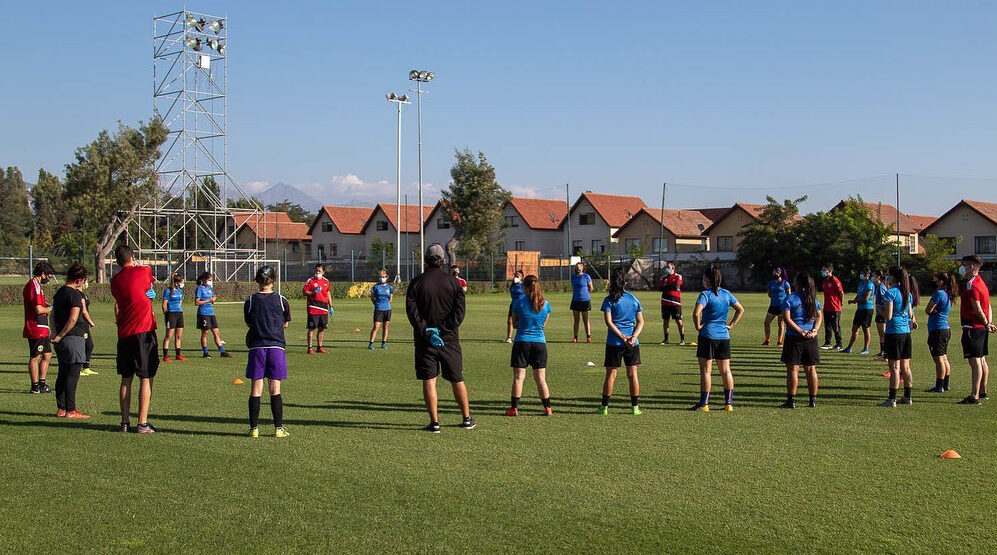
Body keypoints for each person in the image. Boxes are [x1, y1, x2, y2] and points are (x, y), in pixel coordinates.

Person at [406, 244, 474, 432]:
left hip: (424, 339)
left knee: (429, 379)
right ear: (443, 260)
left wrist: (427, 330)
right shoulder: (454, 283)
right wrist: (444, 330)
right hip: (449, 339)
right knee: (456, 378)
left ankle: (435, 422)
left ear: (426, 260)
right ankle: (466, 418)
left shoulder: (416, 282)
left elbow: (412, 312)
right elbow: (459, 313)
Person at [110, 245, 160, 434]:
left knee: (126, 379)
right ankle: (142, 422)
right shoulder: (144, 270)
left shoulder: (114, 281)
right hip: (143, 332)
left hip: (124, 334)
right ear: (132, 256)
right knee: (146, 377)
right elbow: (148, 280)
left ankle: (124, 422)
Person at [244, 265, 292, 438]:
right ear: (274, 280)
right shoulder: (281, 300)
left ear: (257, 280)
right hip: (276, 348)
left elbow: (249, 323)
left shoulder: (250, 300)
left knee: (256, 389)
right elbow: (285, 322)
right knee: (275, 389)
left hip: (257, 347)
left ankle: (254, 429)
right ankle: (278, 429)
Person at [691, 266, 745, 412]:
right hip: (723, 336)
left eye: (704, 278)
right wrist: (731, 325)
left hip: (707, 335)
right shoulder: (727, 294)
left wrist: (698, 326)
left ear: (707, 279)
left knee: (706, 371)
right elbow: (740, 309)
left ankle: (704, 404)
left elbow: (696, 313)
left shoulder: (705, 294)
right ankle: (729, 404)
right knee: (726, 371)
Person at [597, 268, 645, 416]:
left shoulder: (608, 300)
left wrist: (621, 337)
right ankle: (635, 408)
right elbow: (641, 321)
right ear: (625, 282)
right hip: (632, 343)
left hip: (614, 343)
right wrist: (633, 337)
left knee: (611, 375)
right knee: (633, 375)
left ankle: (604, 408)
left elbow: (609, 322)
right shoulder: (633, 299)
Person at [506, 275, 553, 417]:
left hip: (522, 342)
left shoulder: (518, 302)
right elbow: (543, 324)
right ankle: (548, 408)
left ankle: (514, 409)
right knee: (540, 378)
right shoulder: (546, 304)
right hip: (539, 343)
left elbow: (514, 324)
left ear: (525, 287)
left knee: (519, 377)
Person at [50, 263, 92, 419]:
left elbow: (52, 315)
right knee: (72, 375)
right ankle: (71, 410)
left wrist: (55, 334)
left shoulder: (60, 292)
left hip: (61, 339)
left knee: (62, 372)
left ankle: (61, 409)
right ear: (80, 280)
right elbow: (73, 318)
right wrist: (61, 335)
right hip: (73, 337)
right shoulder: (74, 294)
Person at [780, 272, 823, 408]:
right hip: (811, 338)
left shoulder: (790, 298)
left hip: (794, 337)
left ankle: (791, 401)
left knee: (793, 370)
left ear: (797, 283)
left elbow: (787, 319)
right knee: (811, 369)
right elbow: (819, 316)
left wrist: (800, 331)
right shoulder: (813, 299)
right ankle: (812, 400)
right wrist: (814, 330)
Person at [957, 255, 996, 405]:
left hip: (973, 327)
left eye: (964, 264)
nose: (962, 267)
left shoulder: (971, 285)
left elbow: (977, 307)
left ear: (972, 266)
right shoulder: (982, 283)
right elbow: (989, 306)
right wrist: (989, 322)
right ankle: (983, 391)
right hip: (981, 328)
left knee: (975, 363)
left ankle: (974, 396)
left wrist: (986, 323)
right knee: (982, 360)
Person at [879, 266, 917, 408]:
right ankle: (907, 396)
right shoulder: (908, 293)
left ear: (894, 277)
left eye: (888, 275)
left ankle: (891, 399)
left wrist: (880, 309)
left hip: (893, 332)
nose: (887, 277)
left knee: (894, 367)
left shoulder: (891, 293)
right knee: (905, 367)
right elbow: (909, 314)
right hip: (906, 332)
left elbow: (888, 316)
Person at [22, 261, 55, 394]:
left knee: (47, 355)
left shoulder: (37, 286)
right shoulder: (34, 285)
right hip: (36, 327)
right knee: (35, 356)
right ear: (42, 274)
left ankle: (42, 384)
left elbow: (40, 303)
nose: (50, 278)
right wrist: (51, 308)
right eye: (49, 275)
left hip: (43, 327)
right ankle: (35, 386)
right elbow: (38, 309)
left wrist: (48, 305)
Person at [925, 272, 959, 393]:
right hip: (945, 329)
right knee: (944, 357)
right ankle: (945, 383)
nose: (935, 282)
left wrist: (933, 312)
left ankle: (939, 385)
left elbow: (928, 309)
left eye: (936, 280)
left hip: (937, 329)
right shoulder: (949, 294)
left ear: (941, 282)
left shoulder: (939, 294)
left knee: (938, 358)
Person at [195, 272, 232, 358]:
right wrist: (208, 300)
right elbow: (197, 302)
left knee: (216, 332)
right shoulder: (199, 288)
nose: (210, 282)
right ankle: (205, 353)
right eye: (209, 280)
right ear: (204, 280)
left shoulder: (210, 288)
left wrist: (213, 300)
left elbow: (212, 299)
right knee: (205, 333)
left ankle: (222, 352)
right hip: (203, 313)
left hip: (211, 313)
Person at [842, 269, 875, 355]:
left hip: (867, 309)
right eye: (860, 273)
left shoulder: (869, 284)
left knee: (865, 329)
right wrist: (854, 301)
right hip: (860, 309)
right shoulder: (860, 284)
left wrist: (858, 300)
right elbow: (859, 294)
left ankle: (866, 348)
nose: (861, 275)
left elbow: (866, 299)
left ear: (868, 275)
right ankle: (849, 347)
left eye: (863, 274)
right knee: (854, 328)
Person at [658, 260, 691, 346]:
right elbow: (660, 288)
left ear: (673, 268)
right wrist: (669, 287)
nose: (666, 269)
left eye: (668, 267)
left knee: (679, 321)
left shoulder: (678, 276)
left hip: (675, 302)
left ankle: (682, 339)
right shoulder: (663, 278)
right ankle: (666, 339)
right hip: (665, 302)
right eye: (666, 267)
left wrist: (666, 287)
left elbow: (676, 287)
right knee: (665, 321)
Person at [303, 263, 332, 354]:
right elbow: (304, 292)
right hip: (313, 307)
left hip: (323, 308)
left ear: (323, 272)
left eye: (319, 271)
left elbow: (328, 293)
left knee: (321, 328)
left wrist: (331, 306)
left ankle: (320, 347)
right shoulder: (310, 281)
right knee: (312, 328)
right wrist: (313, 293)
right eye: (316, 271)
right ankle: (310, 348)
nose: (317, 272)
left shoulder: (326, 281)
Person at [161, 272, 187, 362]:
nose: (182, 284)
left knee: (178, 336)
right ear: (176, 282)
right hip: (171, 314)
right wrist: (167, 316)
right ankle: (165, 356)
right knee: (169, 336)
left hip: (179, 313)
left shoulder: (180, 291)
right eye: (181, 282)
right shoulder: (168, 291)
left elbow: (180, 303)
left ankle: (178, 355)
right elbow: (164, 305)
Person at [762, 267, 790, 346]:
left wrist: (785, 304)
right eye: (774, 272)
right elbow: (769, 294)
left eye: (776, 272)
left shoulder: (785, 283)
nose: (774, 274)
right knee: (766, 323)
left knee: (780, 324)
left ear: (780, 273)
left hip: (782, 307)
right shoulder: (771, 283)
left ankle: (779, 342)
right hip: (773, 306)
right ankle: (767, 340)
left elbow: (789, 295)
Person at [820, 263, 844, 350]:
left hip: (835, 308)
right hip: (826, 307)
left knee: (836, 326)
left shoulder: (835, 280)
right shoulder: (825, 281)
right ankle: (827, 343)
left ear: (829, 271)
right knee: (827, 326)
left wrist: (840, 303)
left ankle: (839, 344)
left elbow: (841, 293)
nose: (822, 272)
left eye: (824, 270)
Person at [369, 268, 394, 350]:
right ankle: (371, 343)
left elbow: (390, 298)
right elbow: (372, 297)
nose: (382, 278)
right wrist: (377, 304)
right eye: (380, 276)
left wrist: (387, 305)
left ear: (387, 277)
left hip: (387, 309)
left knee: (385, 327)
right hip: (378, 309)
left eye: (383, 276)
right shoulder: (376, 287)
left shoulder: (390, 287)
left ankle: (383, 343)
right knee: (376, 327)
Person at [571, 262, 595, 343]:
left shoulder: (586, 277)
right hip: (575, 300)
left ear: (582, 268)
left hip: (585, 301)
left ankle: (588, 337)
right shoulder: (573, 277)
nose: (577, 269)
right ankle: (575, 337)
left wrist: (586, 295)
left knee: (585, 320)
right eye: (576, 267)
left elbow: (591, 288)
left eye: (579, 267)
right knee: (576, 320)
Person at [79, 280, 98, 376]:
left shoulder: (83, 293)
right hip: (80, 323)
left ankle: (86, 367)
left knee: (89, 345)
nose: (86, 283)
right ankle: (78, 368)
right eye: (85, 281)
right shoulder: (78, 294)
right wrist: (90, 322)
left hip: (84, 323)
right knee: (83, 345)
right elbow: (83, 310)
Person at [504, 269, 525, 343]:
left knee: (521, 322)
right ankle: (509, 337)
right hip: (513, 304)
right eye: (515, 275)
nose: (516, 277)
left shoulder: (523, 285)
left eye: (518, 275)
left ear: (522, 277)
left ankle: (521, 337)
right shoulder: (513, 285)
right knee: (510, 321)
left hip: (522, 305)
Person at [873, 270, 889, 358]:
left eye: (874, 276)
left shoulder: (882, 287)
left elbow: (884, 298)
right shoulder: (878, 287)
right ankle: (882, 351)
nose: (873, 278)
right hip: (878, 313)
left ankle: (885, 352)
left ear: (879, 277)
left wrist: (881, 308)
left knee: (883, 333)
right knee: (881, 334)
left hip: (881, 313)